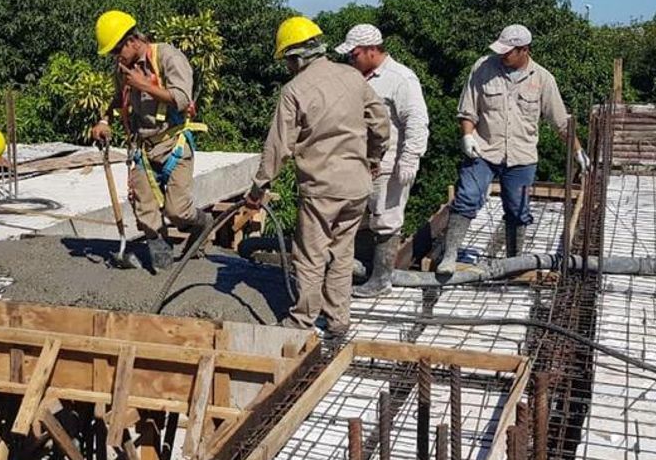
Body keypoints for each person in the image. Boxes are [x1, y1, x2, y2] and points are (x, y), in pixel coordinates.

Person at [247, 17, 390, 339]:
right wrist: (373, 159)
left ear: (297, 57)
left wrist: (258, 187)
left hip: (321, 188)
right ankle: (338, 319)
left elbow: (277, 147)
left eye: (287, 60)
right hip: (357, 186)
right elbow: (381, 124)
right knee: (342, 254)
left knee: (310, 257)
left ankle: (302, 320)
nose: (287, 67)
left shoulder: (294, 90)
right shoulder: (352, 77)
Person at [437, 24, 590, 274]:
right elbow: (467, 109)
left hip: (521, 156)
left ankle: (513, 261)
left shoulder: (542, 79)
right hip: (484, 150)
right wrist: (467, 136)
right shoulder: (483, 68)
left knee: (518, 211)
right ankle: (450, 254)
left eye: (507, 52)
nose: (502, 55)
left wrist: (577, 151)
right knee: (467, 197)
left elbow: (561, 122)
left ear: (524, 50)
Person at [91, 10, 211, 270]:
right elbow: (118, 98)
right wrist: (104, 121)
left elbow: (182, 99)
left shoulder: (168, 57)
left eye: (117, 50)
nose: (116, 57)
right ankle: (163, 265)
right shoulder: (123, 70)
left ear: (132, 41)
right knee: (146, 214)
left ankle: (203, 224)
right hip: (143, 149)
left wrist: (143, 84)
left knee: (178, 211)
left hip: (173, 144)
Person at [334, 24, 429, 298]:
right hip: (358, 164)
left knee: (386, 220)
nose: (350, 59)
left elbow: (416, 121)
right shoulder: (355, 76)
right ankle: (363, 272)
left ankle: (381, 280)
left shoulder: (400, 79)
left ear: (372, 50)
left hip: (388, 165)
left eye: (354, 54)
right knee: (361, 220)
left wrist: (410, 158)